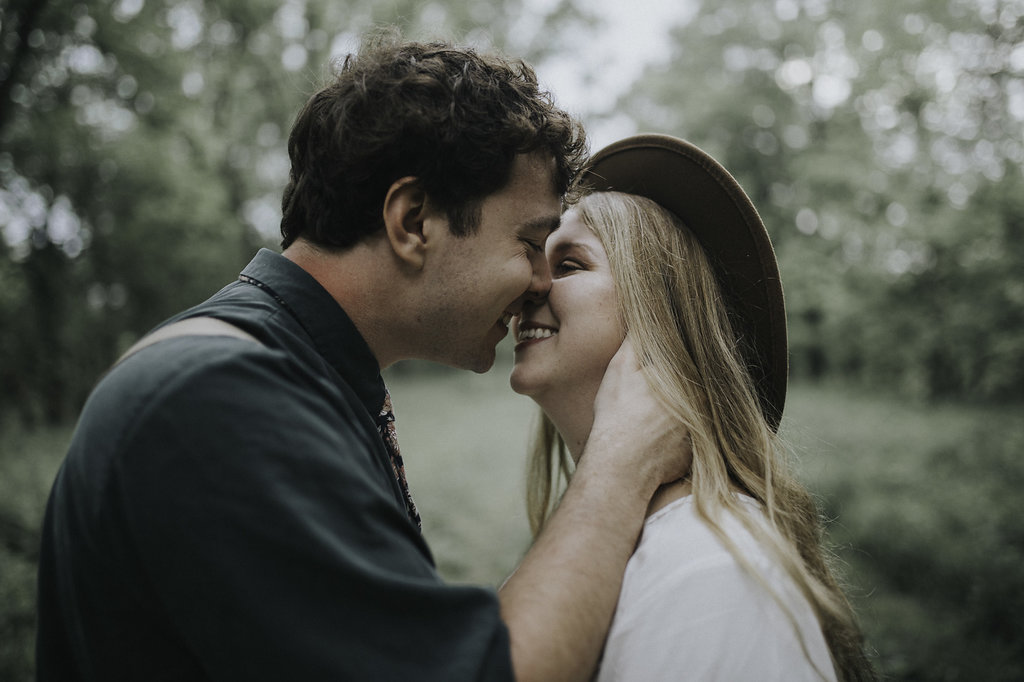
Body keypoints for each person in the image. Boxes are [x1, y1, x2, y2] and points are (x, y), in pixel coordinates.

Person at [35, 34, 690, 681]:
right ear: (411, 221)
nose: (542, 284)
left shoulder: (285, 373)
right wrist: (618, 465)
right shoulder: (218, 396)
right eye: (529, 242)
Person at [510, 134, 876, 681]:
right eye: (536, 260)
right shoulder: (610, 539)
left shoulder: (714, 570)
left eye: (568, 264)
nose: (528, 285)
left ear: (659, 313)